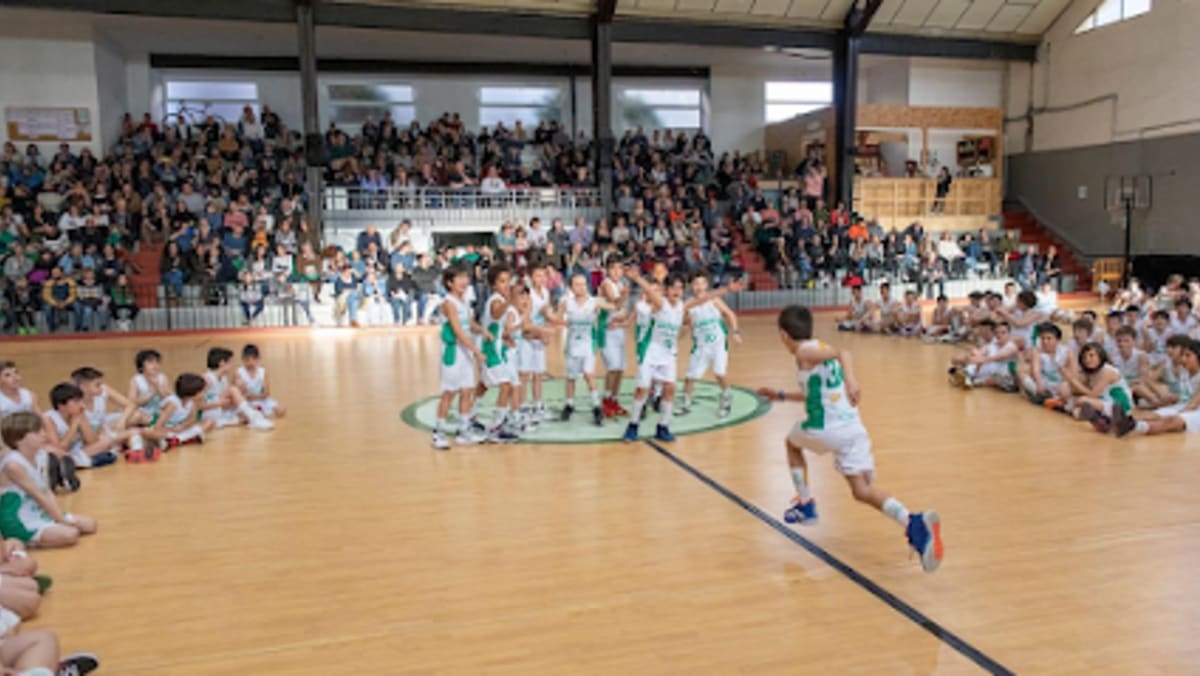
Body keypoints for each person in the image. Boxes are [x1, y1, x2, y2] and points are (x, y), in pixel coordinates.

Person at [754, 305, 943, 573]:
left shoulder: (804, 351)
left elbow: (844, 352)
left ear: (784, 335)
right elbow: (815, 393)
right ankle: (914, 522)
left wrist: (852, 380)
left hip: (827, 428)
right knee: (861, 491)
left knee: (790, 444)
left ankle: (806, 504)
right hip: (852, 428)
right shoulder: (816, 348)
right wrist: (781, 395)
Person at [0, 412, 98, 548]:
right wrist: (61, 520)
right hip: (19, 518)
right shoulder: (13, 464)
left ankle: (49, 528)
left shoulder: (42, 455)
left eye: (42, 430)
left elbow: (46, 491)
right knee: (71, 534)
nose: (43, 434)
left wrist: (59, 516)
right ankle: (22, 540)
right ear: (19, 439)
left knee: (90, 525)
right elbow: (38, 496)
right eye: (36, 432)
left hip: (40, 511)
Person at [550, 273, 621, 427]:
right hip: (571, 346)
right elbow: (556, 319)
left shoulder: (594, 302)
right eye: (577, 284)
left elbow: (615, 307)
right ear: (571, 287)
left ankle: (596, 406)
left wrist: (622, 296)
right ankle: (569, 404)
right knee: (571, 377)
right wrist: (555, 325)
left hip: (588, 345)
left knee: (589, 375)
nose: (581, 287)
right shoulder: (566, 302)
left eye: (583, 284)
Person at [432, 265, 486, 450]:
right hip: (453, 353)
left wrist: (482, 330)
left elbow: (469, 323)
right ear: (449, 283)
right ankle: (438, 433)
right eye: (460, 278)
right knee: (449, 393)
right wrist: (477, 351)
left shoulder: (463, 301)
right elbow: (458, 331)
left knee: (466, 391)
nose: (465, 281)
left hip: (465, 353)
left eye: (465, 277)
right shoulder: (448, 303)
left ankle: (464, 431)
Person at [679, 270, 741, 417]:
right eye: (695, 284)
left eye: (701, 283)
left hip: (718, 344)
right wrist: (685, 326)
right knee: (690, 376)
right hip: (700, 346)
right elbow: (685, 323)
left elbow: (730, 314)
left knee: (719, 372)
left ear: (706, 284)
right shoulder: (688, 304)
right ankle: (686, 403)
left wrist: (736, 332)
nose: (699, 287)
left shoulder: (714, 300)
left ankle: (726, 395)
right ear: (691, 286)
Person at [1114, 338, 1200, 437]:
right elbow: (1187, 397)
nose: (1183, 358)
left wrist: (1175, 413)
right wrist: (1173, 400)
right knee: (1153, 415)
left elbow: (1193, 404)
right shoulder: (1184, 371)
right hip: (1183, 405)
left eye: (1188, 355)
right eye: (1183, 355)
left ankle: (1135, 426)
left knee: (1172, 420)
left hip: (1196, 411)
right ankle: (1111, 420)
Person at [479, 264, 521, 443]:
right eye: (502, 281)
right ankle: (497, 428)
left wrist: (505, 338)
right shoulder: (497, 300)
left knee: (484, 384)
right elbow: (496, 315)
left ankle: (470, 415)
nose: (506, 284)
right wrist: (510, 300)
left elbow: (497, 326)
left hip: (495, 346)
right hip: (490, 348)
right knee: (507, 386)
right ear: (493, 285)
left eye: (508, 281)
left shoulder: (501, 299)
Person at [42, 384, 125, 471]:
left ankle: (76, 462)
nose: (82, 405)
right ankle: (79, 462)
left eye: (81, 401)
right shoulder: (49, 419)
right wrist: (74, 426)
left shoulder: (79, 413)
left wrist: (83, 420)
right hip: (58, 453)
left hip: (75, 452)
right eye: (76, 402)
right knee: (54, 452)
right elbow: (59, 448)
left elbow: (92, 441)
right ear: (61, 406)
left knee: (107, 441)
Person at [1066, 343, 1134, 433]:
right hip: (1104, 401)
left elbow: (1092, 395)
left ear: (1100, 355)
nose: (1087, 360)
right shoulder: (1091, 372)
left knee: (1082, 401)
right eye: (1084, 357)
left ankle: (1114, 419)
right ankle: (1105, 420)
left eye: (1091, 355)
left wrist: (1074, 383)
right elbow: (1076, 391)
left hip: (1119, 404)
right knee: (1076, 412)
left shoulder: (1108, 371)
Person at [517, 262, 553, 423]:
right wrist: (541, 333)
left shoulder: (545, 292)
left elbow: (547, 316)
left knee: (538, 373)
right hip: (527, 338)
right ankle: (522, 407)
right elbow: (525, 323)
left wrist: (547, 332)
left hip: (539, 336)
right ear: (530, 278)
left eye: (544, 275)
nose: (542, 278)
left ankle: (537, 405)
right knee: (524, 374)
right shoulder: (527, 295)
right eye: (538, 275)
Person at [596, 259, 631, 419]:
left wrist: (624, 320)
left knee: (620, 367)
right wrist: (623, 296)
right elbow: (615, 303)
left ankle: (614, 400)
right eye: (613, 268)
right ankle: (606, 400)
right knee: (612, 367)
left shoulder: (621, 284)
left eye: (620, 268)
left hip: (618, 330)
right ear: (607, 270)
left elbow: (622, 311)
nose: (617, 272)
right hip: (606, 329)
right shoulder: (606, 284)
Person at [144, 373, 214, 449]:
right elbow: (158, 426)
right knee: (147, 432)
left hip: (178, 429)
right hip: (165, 429)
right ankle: (186, 438)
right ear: (193, 393)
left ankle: (176, 440)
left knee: (210, 422)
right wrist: (173, 430)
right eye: (202, 391)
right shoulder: (173, 403)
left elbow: (192, 419)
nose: (204, 394)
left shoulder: (192, 402)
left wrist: (182, 426)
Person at [948, 321, 1020, 391]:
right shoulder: (992, 345)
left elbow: (996, 357)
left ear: (1009, 334)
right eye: (997, 332)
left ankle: (971, 381)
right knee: (965, 360)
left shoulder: (1011, 347)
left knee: (997, 377)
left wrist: (980, 359)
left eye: (1003, 332)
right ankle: (966, 376)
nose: (999, 335)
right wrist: (975, 356)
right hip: (985, 372)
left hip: (1002, 376)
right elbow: (981, 353)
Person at [1018, 323, 1076, 406]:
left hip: (1060, 384)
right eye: (1043, 338)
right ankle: (1045, 397)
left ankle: (1049, 399)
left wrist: (1066, 377)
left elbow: (1073, 374)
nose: (1045, 341)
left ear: (1057, 340)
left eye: (1049, 339)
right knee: (1022, 373)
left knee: (1065, 389)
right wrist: (1039, 383)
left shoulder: (1067, 352)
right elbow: (1036, 370)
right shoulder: (1037, 351)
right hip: (1044, 383)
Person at [235, 345, 286, 419]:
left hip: (261, 400)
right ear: (243, 359)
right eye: (247, 360)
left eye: (252, 360)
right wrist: (245, 395)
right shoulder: (239, 372)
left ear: (258, 359)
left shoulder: (263, 372)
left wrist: (255, 396)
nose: (250, 363)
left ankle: (259, 414)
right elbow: (237, 393)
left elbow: (267, 393)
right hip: (246, 402)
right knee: (244, 415)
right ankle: (259, 415)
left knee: (282, 410)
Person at [127, 350, 170, 426]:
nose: (155, 365)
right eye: (150, 362)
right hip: (142, 411)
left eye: (157, 362)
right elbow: (131, 402)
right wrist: (151, 392)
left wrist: (157, 387)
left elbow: (168, 397)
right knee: (133, 417)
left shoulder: (162, 377)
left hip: (159, 411)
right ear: (141, 366)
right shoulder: (136, 380)